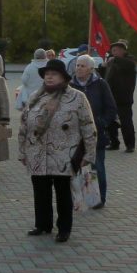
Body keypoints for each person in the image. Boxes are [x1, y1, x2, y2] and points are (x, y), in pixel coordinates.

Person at [18, 58, 97, 243]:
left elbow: (88, 126)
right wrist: (22, 151)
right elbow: (24, 125)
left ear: (63, 77)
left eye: (53, 74)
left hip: (64, 154)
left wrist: (89, 154)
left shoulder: (77, 97)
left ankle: (64, 228)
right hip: (37, 153)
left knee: (63, 192)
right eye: (46, 74)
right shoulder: (35, 97)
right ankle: (42, 224)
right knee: (40, 190)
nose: (49, 77)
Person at [70, 54, 117, 209]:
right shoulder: (70, 85)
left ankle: (97, 199)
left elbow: (111, 108)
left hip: (95, 134)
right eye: (77, 65)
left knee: (97, 168)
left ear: (91, 69)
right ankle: (77, 198)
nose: (79, 68)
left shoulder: (101, 84)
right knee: (74, 168)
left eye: (82, 66)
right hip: (74, 136)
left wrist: (101, 123)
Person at [105, 40, 137, 152]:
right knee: (110, 123)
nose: (113, 52)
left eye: (115, 50)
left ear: (123, 50)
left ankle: (130, 145)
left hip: (124, 98)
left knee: (126, 122)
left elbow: (128, 65)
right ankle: (114, 143)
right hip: (110, 97)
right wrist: (102, 66)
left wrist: (115, 60)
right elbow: (105, 76)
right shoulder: (111, 61)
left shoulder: (129, 61)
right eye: (112, 50)